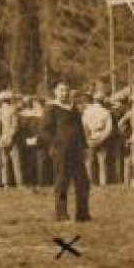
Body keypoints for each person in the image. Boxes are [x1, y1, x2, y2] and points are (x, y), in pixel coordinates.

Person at [43, 82, 91, 222]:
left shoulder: (73, 109)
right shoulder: (52, 109)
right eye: (61, 90)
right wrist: (54, 145)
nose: (64, 93)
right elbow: (44, 131)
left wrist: (85, 147)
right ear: (56, 92)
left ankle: (83, 214)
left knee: (83, 182)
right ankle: (61, 214)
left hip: (76, 151)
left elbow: (80, 129)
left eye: (66, 90)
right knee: (62, 182)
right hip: (61, 151)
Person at [83, 91, 115, 185]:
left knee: (90, 162)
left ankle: (91, 182)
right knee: (102, 162)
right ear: (102, 101)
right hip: (102, 137)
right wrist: (102, 138)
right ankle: (103, 183)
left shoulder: (87, 111)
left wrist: (88, 138)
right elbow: (109, 129)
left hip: (91, 136)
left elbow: (84, 126)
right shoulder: (106, 112)